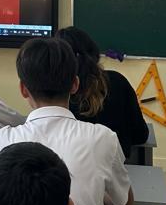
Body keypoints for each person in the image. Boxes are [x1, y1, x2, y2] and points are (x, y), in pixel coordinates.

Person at [0, 37, 132, 205]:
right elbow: (124, 203)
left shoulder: (1, 140)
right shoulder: (103, 138)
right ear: (75, 84)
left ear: (23, 89)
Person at [56, 26, 149, 160]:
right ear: (93, 51)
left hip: (67, 166)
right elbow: (140, 135)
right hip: (113, 165)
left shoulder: (57, 91)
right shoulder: (117, 81)